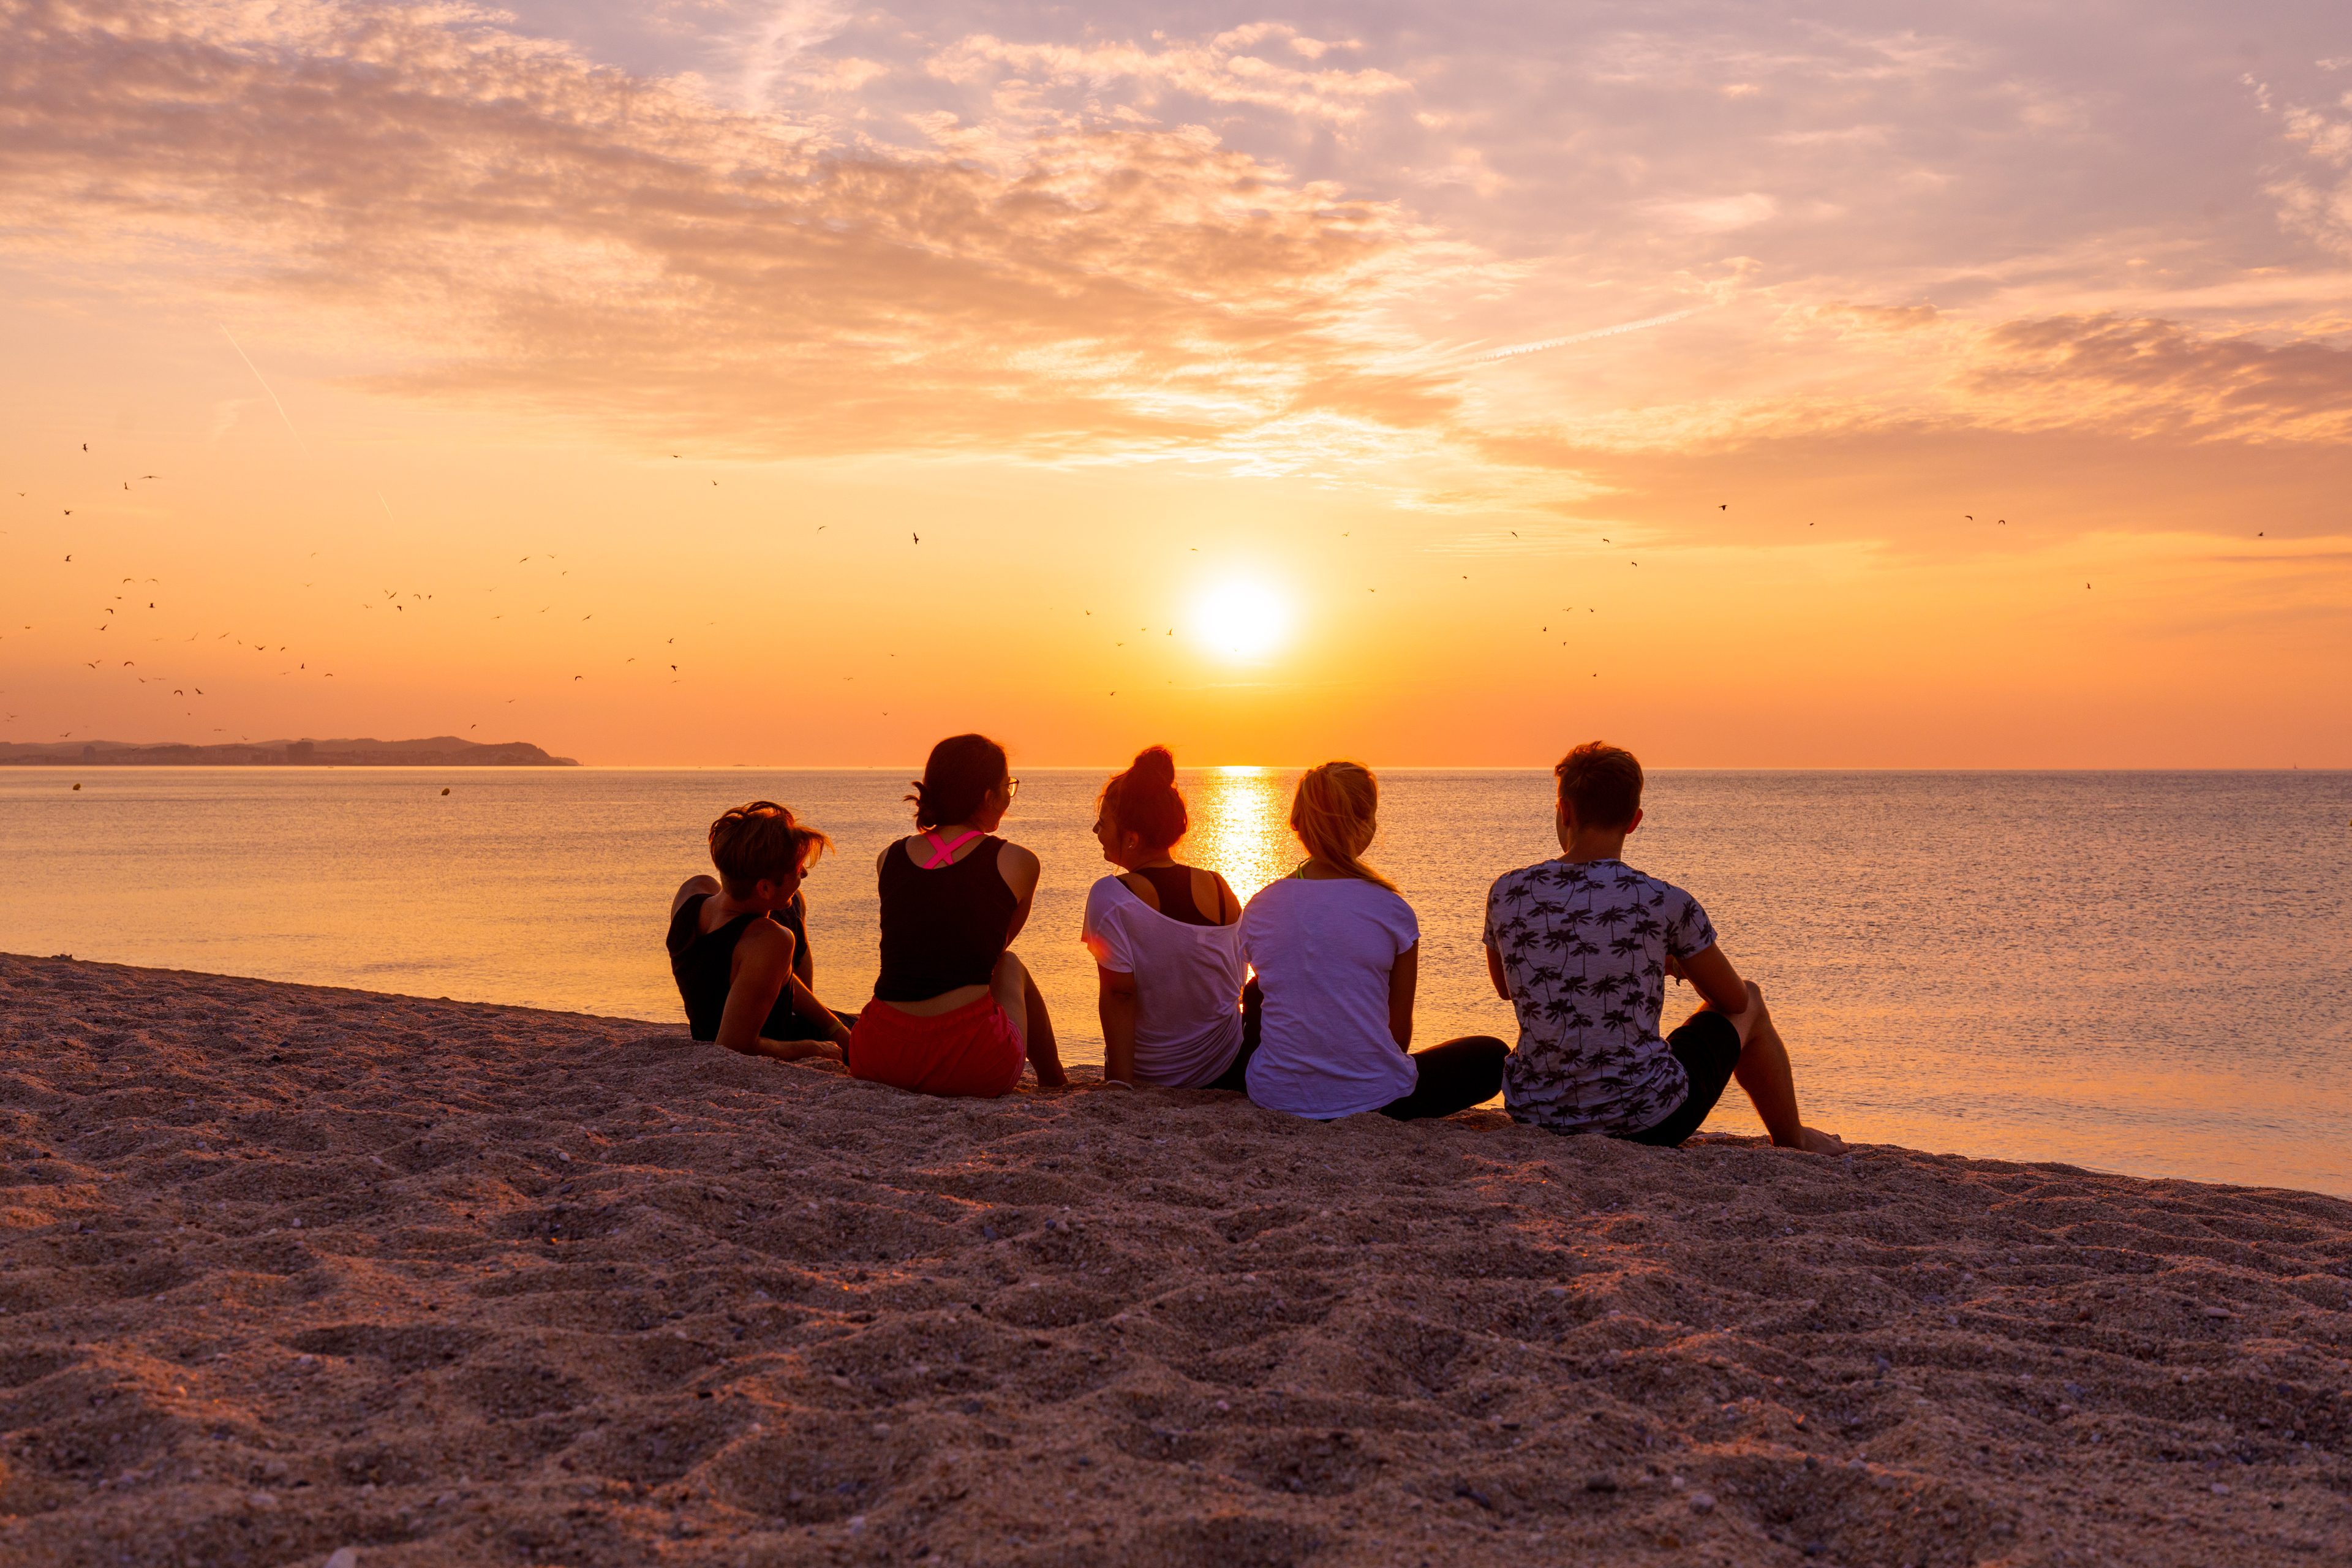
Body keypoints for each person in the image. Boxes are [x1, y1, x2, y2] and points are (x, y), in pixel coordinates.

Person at [1484, 741, 1845, 1153]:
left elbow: (1508, 986)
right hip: (1646, 1121)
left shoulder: (1508, 891)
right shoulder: (1664, 901)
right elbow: (1732, 1000)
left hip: (1537, 1115)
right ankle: (1793, 1138)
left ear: (1565, 810)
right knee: (1753, 997)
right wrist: (1676, 962)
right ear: (1634, 820)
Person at [1238, 761, 1508, 1120]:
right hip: (1374, 1099)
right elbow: (1398, 1037)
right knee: (1492, 1056)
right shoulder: (1392, 910)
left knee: (1258, 991)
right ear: (1365, 826)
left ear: (1298, 825)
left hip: (1274, 1094)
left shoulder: (1259, 907)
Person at [846, 733, 1070, 1096]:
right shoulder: (1019, 862)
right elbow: (991, 953)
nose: (1008, 797)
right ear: (987, 797)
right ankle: (1053, 1079)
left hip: (877, 1055)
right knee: (1010, 965)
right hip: (972, 1062)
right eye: (1007, 787)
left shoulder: (889, 857)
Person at [1081, 745, 1250, 1090]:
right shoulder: (1219, 888)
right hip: (1226, 1068)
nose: (1096, 831)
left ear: (1132, 837)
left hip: (1153, 1075)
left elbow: (1119, 996)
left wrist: (1120, 1086)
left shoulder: (1111, 896)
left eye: (1103, 823)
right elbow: (1235, 980)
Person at [666, 801, 854, 1062]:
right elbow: (734, 1046)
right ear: (764, 889)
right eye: (797, 870)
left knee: (793, 902)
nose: (804, 874)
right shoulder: (768, 940)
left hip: (708, 1033)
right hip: (776, 1041)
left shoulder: (692, 892)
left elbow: (771, 977)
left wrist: (835, 1027)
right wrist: (815, 1048)